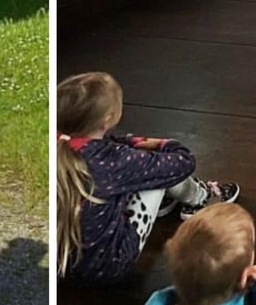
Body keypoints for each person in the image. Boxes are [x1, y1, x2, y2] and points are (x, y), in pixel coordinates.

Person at [57, 71, 239, 285]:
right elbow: (183, 162)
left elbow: (107, 143)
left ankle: (167, 201)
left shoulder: (60, 147)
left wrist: (131, 142)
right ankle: (202, 199)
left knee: (134, 174)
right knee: (159, 170)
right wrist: (164, 144)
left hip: (64, 265)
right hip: (108, 265)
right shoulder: (115, 161)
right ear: (108, 120)